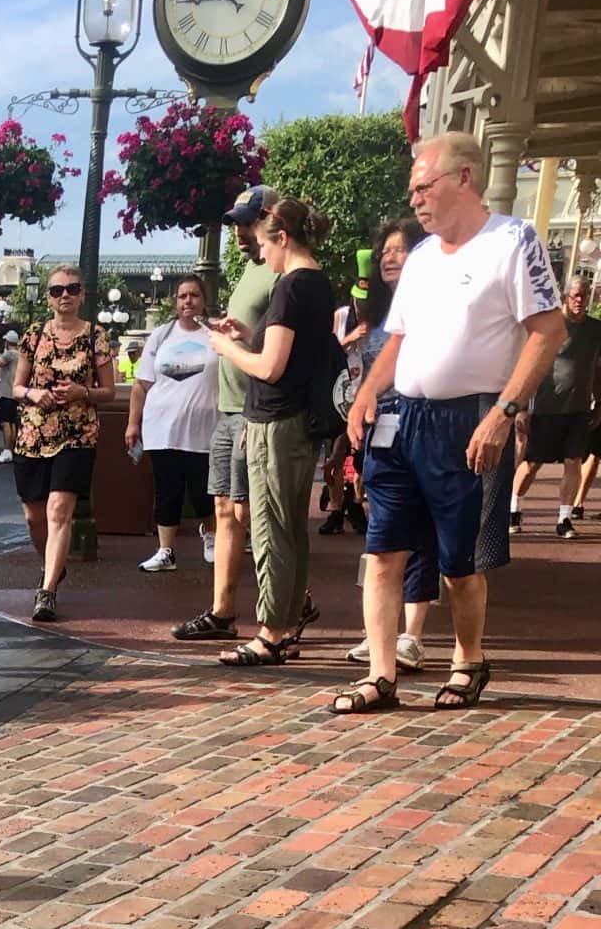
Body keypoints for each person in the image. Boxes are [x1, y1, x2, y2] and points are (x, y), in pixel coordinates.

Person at [338, 130, 565, 714]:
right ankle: (381, 674)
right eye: (412, 189)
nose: (415, 199)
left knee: (459, 563)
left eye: (423, 185)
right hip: (401, 421)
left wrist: (503, 413)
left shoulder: (512, 241)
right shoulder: (417, 258)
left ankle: (469, 658)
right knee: (382, 552)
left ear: (464, 178)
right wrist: (367, 395)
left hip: (467, 421)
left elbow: (548, 332)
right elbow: (398, 339)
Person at [206, 196, 334, 670]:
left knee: (270, 529)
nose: (261, 255)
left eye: (264, 245)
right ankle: (286, 623)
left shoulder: (291, 286)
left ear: (282, 238)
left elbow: (270, 367)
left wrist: (226, 347)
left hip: (277, 421)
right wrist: (246, 333)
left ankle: (270, 632)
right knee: (290, 528)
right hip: (299, 420)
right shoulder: (318, 283)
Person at [172, 186, 279, 647]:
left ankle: (290, 594)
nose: (238, 231)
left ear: (269, 220)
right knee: (223, 510)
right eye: (236, 222)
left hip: (254, 407)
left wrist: (238, 341)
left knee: (250, 511)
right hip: (228, 406)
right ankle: (222, 611)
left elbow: (279, 350)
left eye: (247, 221)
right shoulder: (250, 271)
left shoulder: (280, 276)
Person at [343, 219, 435, 673]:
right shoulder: (368, 315)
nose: (390, 257)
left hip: (425, 423)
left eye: (401, 250)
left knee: (423, 534)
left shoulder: (433, 307)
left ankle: (412, 636)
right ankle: (378, 631)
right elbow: (356, 375)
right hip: (378, 429)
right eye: (385, 252)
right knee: (381, 533)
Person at [11, 263, 116, 622]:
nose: (65, 295)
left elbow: (108, 391)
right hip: (33, 433)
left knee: (59, 512)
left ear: (82, 294)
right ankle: (53, 566)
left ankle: (47, 590)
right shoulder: (34, 334)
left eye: (72, 288)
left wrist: (80, 391)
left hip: (77, 432)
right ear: (49, 297)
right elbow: (16, 387)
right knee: (34, 516)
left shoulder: (95, 336)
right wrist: (34, 394)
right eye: (57, 290)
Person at [127, 277, 219, 574]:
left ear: (203, 300)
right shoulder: (161, 335)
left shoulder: (214, 335)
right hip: (162, 427)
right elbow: (141, 384)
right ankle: (166, 551)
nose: (187, 301)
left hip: (203, 429)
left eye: (194, 295)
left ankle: (212, 537)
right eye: (182, 296)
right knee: (167, 491)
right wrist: (132, 423)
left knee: (204, 490)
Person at [510, 275, 601, 538]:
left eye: (585, 295)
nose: (581, 301)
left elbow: (597, 370)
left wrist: (599, 404)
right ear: (565, 297)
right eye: (576, 295)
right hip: (546, 409)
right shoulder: (551, 326)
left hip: (579, 409)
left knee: (573, 461)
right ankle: (514, 507)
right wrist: (523, 407)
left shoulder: (596, 330)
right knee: (532, 463)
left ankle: (564, 518)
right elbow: (529, 365)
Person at [0, 330, 20, 464]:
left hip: (6, 393)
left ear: (8, 342)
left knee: (5, 423)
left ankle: (7, 450)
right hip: (14, 393)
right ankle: (11, 449)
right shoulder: (20, 355)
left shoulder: (9, 354)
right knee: (12, 422)